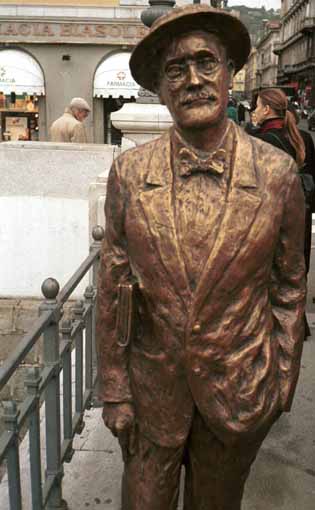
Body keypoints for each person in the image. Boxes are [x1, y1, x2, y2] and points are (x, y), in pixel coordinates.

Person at [96, 6, 306, 510]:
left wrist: (281, 382)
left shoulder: (277, 175)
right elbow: (112, 284)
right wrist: (115, 389)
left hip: (238, 392)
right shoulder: (129, 174)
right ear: (160, 88)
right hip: (151, 398)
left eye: (206, 63)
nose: (193, 80)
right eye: (175, 70)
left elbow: (289, 287)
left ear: (230, 72)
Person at [252, 88, 312, 339]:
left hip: (269, 216)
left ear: (267, 110)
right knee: (294, 271)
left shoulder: (257, 141)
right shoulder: (304, 138)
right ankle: (296, 324)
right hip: (300, 215)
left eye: (256, 107)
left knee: (268, 272)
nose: (253, 112)